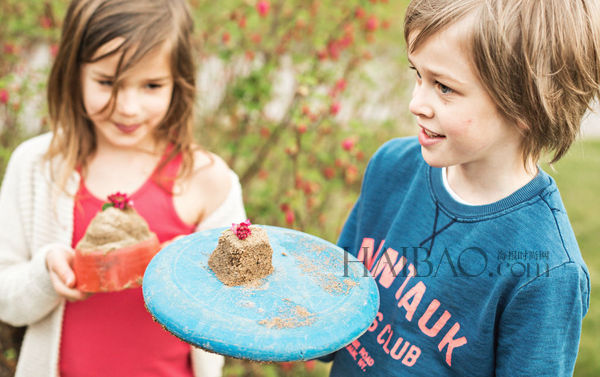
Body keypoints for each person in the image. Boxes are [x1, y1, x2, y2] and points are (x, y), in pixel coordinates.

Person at [324, 0, 600, 376]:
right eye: (417, 75)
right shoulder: (392, 167)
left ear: (526, 105)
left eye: (444, 87)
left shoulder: (547, 272)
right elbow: (335, 304)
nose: (416, 103)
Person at [0, 0, 246, 376]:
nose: (128, 107)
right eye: (107, 83)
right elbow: (6, 299)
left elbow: (239, 306)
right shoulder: (36, 166)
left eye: (151, 85)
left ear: (178, 83)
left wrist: (197, 270)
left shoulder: (208, 180)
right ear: (74, 73)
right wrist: (45, 275)